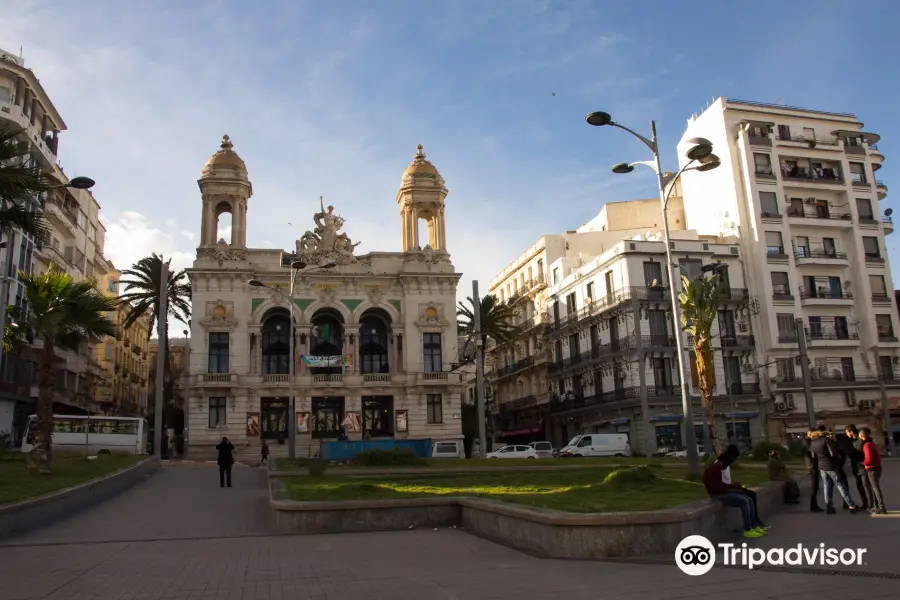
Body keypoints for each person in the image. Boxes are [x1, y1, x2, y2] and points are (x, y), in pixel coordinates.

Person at [703, 448, 766, 538]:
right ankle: (747, 530)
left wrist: (736, 486)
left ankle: (754, 526)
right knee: (744, 501)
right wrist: (734, 489)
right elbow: (718, 488)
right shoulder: (716, 468)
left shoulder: (719, 466)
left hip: (721, 492)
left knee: (749, 499)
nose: (726, 468)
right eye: (727, 465)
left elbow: (723, 484)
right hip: (718, 495)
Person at [809, 428, 860, 513]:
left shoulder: (813, 442)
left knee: (826, 485)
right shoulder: (826, 440)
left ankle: (829, 506)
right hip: (830, 465)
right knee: (840, 485)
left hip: (821, 466)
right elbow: (833, 454)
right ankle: (851, 505)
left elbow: (813, 456)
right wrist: (837, 462)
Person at [722, 445, 769, 529]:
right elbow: (722, 483)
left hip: (730, 487)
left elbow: (727, 480)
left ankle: (755, 522)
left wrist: (735, 485)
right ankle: (751, 525)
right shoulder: (721, 465)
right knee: (747, 499)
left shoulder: (727, 465)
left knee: (752, 495)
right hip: (726, 490)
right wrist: (734, 488)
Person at [858, 428, 887, 514]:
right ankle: (877, 506)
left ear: (861, 435)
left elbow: (869, 459)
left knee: (875, 488)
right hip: (877, 467)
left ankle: (881, 507)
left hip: (872, 469)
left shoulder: (866, 445)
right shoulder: (872, 443)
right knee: (876, 487)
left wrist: (864, 462)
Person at [841, 425, 869, 510]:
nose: (846, 435)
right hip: (857, 468)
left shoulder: (859, 441)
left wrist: (849, 453)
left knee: (864, 487)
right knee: (861, 486)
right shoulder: (853, 441)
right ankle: (866, 503)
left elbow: (857, 454)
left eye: (847, 433)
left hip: (861, 467)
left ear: (851, 432)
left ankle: (868, 504)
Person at [804, 431, 823, 512]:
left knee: (815, 487)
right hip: (812, 468)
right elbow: (810, 456)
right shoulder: (808, 444)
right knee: (813, 488)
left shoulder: (808, 443)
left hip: (812, 467)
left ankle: (814, 505)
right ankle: (813, 506)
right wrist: (812, 466)